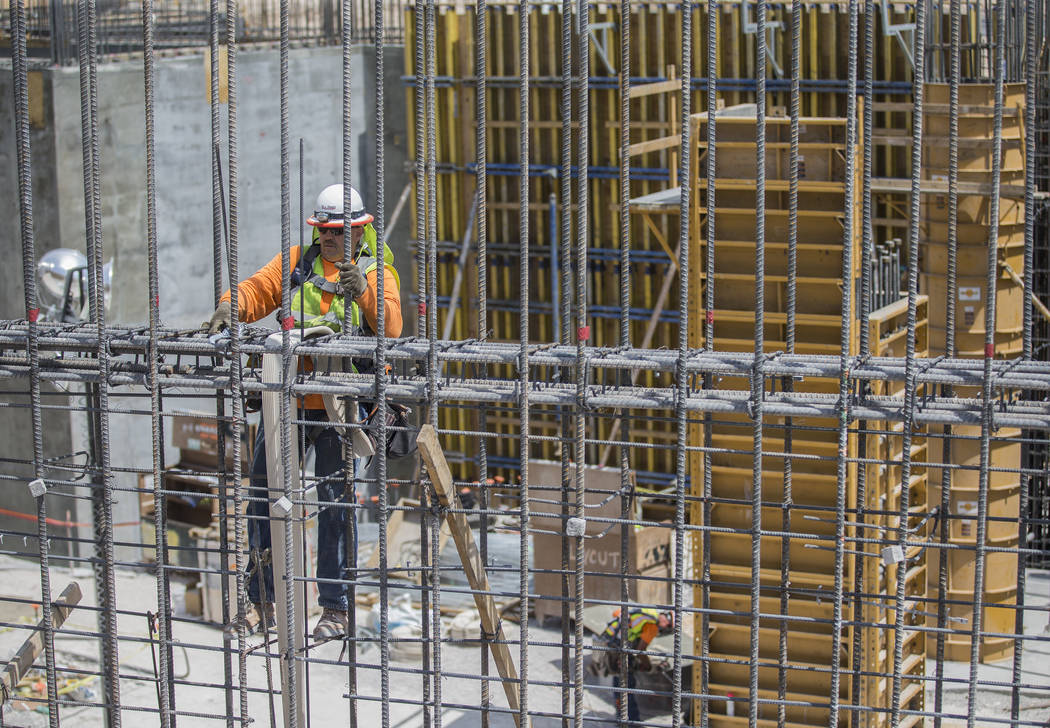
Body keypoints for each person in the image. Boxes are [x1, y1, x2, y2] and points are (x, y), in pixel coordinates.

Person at [203, 184, 402, 641]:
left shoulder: (376, 270)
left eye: (336, 231)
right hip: (287, 399)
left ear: (359, 229)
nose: (329, 239)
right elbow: (258, 289)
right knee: (263, 499)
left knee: (334, 505)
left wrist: (364, 292)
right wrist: (229, 306)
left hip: (338, 404)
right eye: (323, 230)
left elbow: (391, 325)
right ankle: (261, 603)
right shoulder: (298, 261)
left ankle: (335, 608)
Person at [597, 608, 674, 722]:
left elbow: (617, 612)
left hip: (609, 640)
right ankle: (631, 722)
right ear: (667, 622)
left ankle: (621, 717)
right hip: (617, 647)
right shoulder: (652, 625)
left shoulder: (648, 612)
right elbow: (640, 651)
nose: (664, 628)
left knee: (619, 685)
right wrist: (648, 666)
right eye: (667, 626)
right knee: (627, 687)